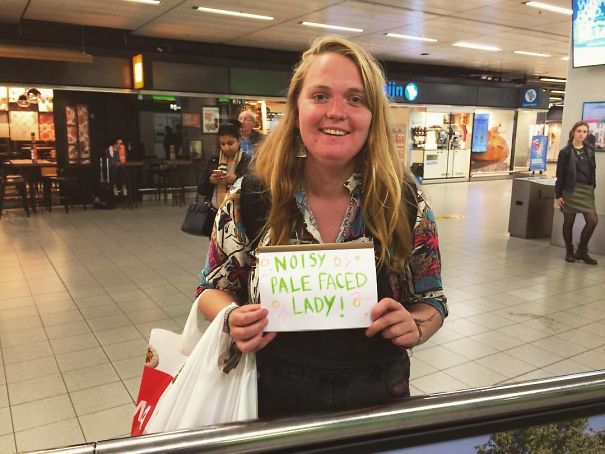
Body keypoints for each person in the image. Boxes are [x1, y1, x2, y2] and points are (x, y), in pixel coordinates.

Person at [195, 36, 448, 417]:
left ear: (372, 115)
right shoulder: (250, 195)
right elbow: (211, 289)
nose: (336, 111)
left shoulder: (403, 199)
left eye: (355, 98)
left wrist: (416, 325)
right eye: (319, 96)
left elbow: (433, 300)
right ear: (296, 108)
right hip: (270, 398)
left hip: (377, 400)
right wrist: (232, 318)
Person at [555, 122, 598, 264]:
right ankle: (569, 251)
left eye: (585, 132)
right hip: (570, 190)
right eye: (579, 131)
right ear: (573, 132)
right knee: (569, 222)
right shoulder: (565, 152)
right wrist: (558, 195)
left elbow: (593, 170)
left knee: (592, 221)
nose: (582, 134)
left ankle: (582, 250)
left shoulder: (590, 150)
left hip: (586, 190)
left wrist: (592, 185)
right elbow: (560, 175)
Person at [197, 120, 251, 230]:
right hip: (215, 214)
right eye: (222, 144)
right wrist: (211, 180)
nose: (226, 147)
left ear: (239, 141)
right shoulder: (214, 160)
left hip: (240, 216)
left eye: (230, 143)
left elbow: (255, 187)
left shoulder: (248, 161)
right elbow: (201, 188)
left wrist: (236, 180)